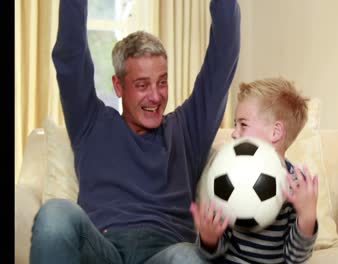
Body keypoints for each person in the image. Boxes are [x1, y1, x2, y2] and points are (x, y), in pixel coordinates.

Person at [29, 0, 240, 263]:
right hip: (102, 249)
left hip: (166, 252)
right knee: (55, 214)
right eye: (142, 85)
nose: (155, 96)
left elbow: (223, 57)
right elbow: (70, 57)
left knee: (189, 258)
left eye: (162, 82)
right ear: (118, 86)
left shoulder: (186, 129)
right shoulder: (91, 123)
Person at [189, 77, 319, 264]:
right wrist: (210, 239)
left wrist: (307, 218)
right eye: (236, 124)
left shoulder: (296, 186)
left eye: (243, 124)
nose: (234, 133)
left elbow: (295, 258)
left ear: (276, 132)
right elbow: (215, 251)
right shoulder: (225, 173)